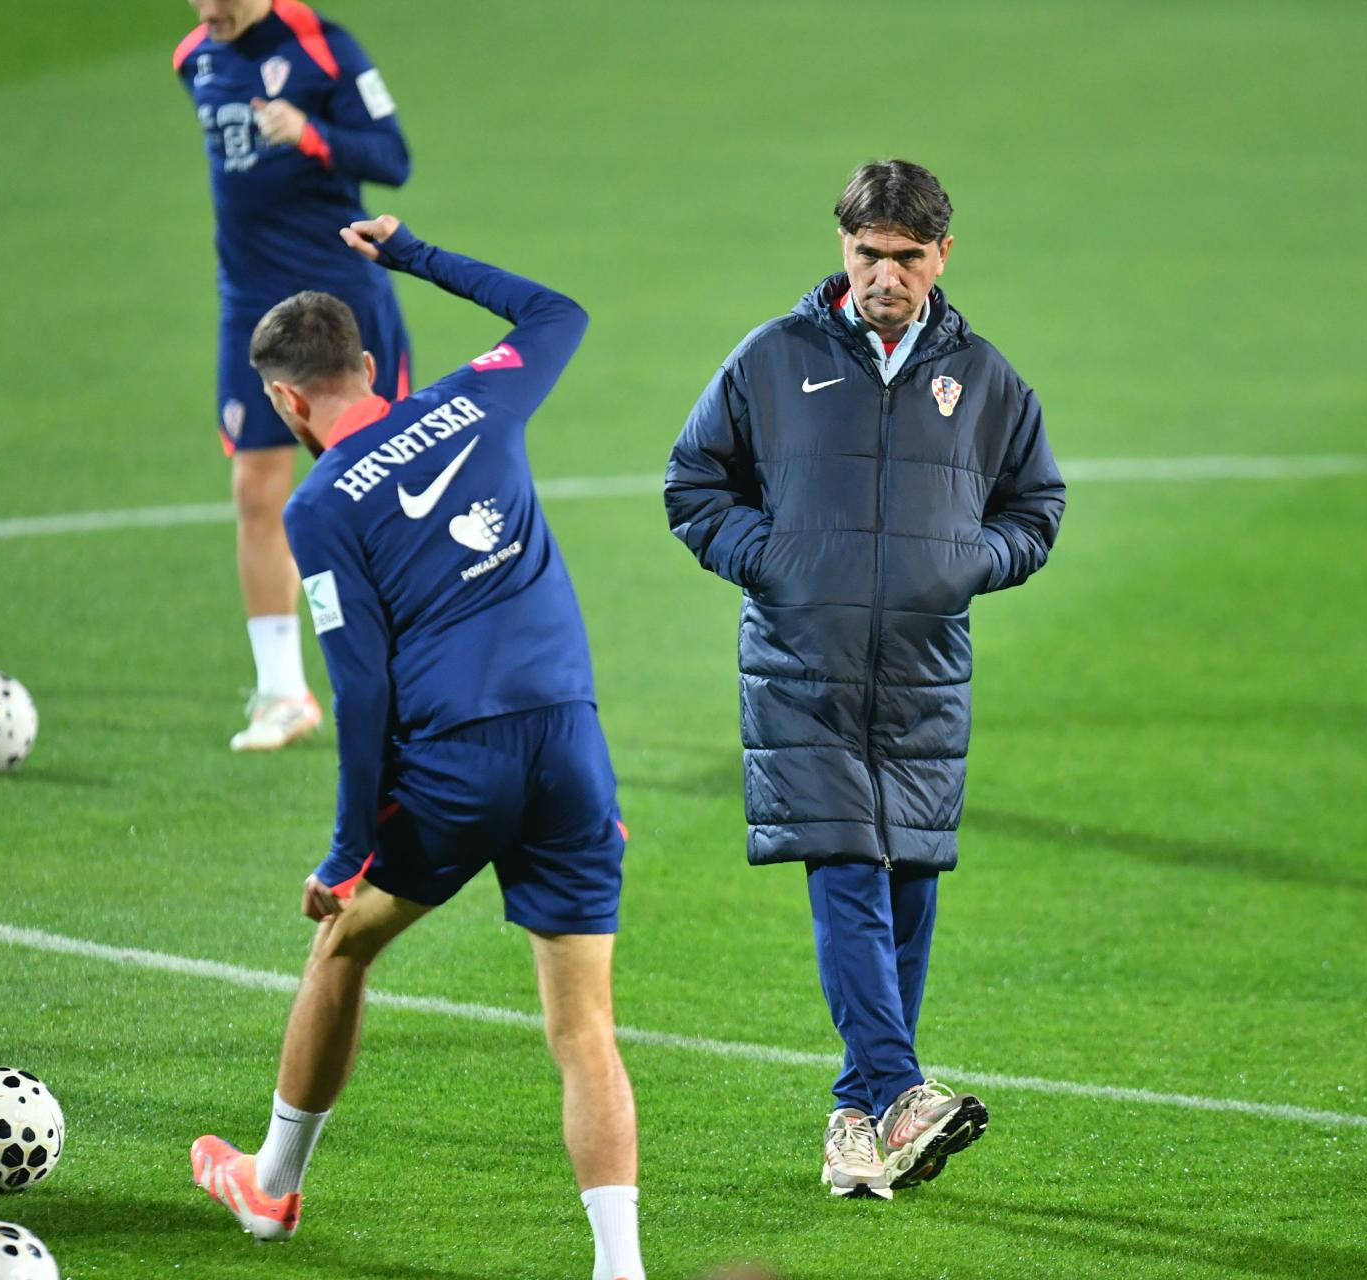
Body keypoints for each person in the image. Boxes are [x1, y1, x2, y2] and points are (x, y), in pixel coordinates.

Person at [188, 215, 645, 1280]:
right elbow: (557, 312)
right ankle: (620, 1266)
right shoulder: (476, 398)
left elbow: (362, 688)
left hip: (457, 764)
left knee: (343, 947)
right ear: (370, 366)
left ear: (288, 401)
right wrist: (411, 253)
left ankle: (272, 1184)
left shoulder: (318, 505)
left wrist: (347, 850)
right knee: (584, 1029)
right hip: (571, 748)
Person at [663, 160, 1065, 1199]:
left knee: (907, 879)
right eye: (867, 253)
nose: (886, 274)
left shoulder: (984, 379)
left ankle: (858, 1116)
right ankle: (899, 1090)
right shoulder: (774, 357)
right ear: (844, 247)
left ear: (943, 254)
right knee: (847, 860)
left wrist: (972, 563)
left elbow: (1037, 506)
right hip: (803, 665)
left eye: (907, 256)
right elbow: (693, 482)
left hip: (925, 668)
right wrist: (774, 560)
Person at [175, 0, 414, 751]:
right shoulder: (195, 59)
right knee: (256, 490)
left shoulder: (325, 48)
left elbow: (393, 159)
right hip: (250, 305)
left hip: (341, 302)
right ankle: (283, 693)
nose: (207, 9)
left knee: (384, 490)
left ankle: (413, 680)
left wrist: (311, 135)